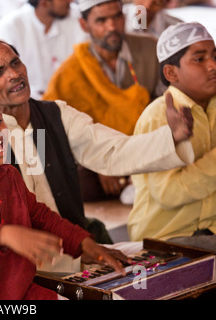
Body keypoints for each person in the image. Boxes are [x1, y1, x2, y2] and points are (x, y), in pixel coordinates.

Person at [0, 36, 194, 251]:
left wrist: (171, 136)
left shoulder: (56, 115)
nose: (14, 74)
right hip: (20, 264)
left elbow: (114, 151)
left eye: (15, 63)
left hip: (73, 252)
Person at [0, 79, 129, 300]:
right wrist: (4, 234)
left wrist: (84, 244)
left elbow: (38, 215)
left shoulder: (8, 174)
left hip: (16, 290)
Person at [43, 0, 163, 202]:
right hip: (100, 156)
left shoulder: (151, 48)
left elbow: (166, 105)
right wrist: (99, 162)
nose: (112, 26)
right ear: (84, 25)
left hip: (146, 148)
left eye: (117, 17)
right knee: (71, 181)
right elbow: (54, 126)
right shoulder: (71, 71)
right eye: (101, 20)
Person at [128, 22, 216, 251]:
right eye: (199, 59)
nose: (213, 65)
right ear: (171, 73)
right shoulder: (157, 117)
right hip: (166, 238)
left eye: (214, 56)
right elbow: (169, 193)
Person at [0, 0, 88, 99]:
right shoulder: (9, 27)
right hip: (28, 102)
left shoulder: (76, 16)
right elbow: (4, 79)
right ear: (44, 2)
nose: (71, 1)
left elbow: (84, 62)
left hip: (70, 98)